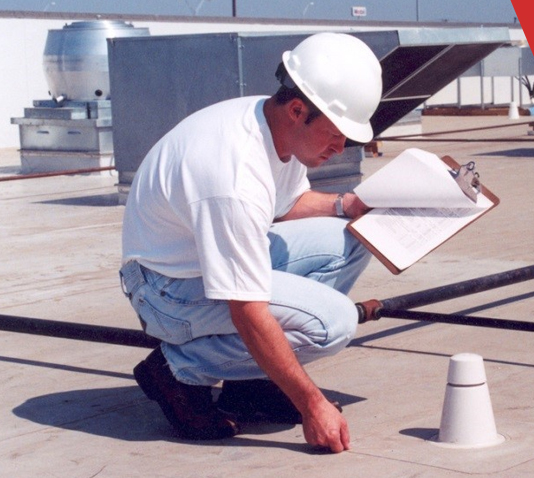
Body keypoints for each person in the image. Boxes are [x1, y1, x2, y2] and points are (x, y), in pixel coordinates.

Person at [119, 32, 382, 453]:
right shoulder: (233, 173)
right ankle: (176, 371)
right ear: (298, 110)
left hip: (193, 267)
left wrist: (346, 204)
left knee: (355, 237)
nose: (343, 146)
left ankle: (251, 385)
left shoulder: (272, 125)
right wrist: (311, 403)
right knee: (331, 325)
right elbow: (246, 309)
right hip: (166, 290)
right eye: (338, 134)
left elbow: (287, 202)